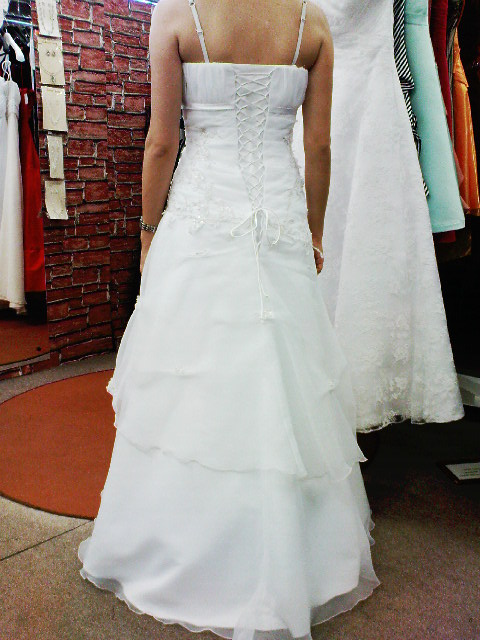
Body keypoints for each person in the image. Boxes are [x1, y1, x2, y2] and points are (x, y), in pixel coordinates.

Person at [78, 1, 380, 638]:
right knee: (282, 378)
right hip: (279, 217)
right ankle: (295, 557)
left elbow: (162, 142)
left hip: (201, 217)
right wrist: (314, 230)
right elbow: (319, 145)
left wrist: (148, 233)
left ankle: (187, 547)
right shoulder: (312, 23)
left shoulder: (175, 15)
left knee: (194, 379)